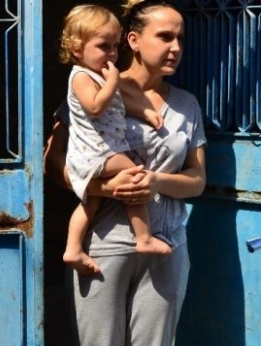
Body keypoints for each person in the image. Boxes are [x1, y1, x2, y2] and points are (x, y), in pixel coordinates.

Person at [44, 0, 206, 346]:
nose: (176, 48)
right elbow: (56, 164)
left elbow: (197, 180)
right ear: (133, 40)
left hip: (166, 242)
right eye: (165, 37)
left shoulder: (186, 105)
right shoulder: (93, 85)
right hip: (104, 247)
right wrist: (104, 188)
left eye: (180, 38)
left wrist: (154, 182)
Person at [58, 4, 171, 276]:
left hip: (101, 152)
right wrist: (112, 81)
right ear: (76, 49)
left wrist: (144, 112)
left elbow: (117, 106)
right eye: (103, 46)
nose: (111, 53)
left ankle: (73, 249)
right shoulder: (82, 77)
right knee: (136, 176)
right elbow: (96, 106)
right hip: (97, 153)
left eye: (114, 46)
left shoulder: (99, 76)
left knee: (90, 203)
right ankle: (143, 238)